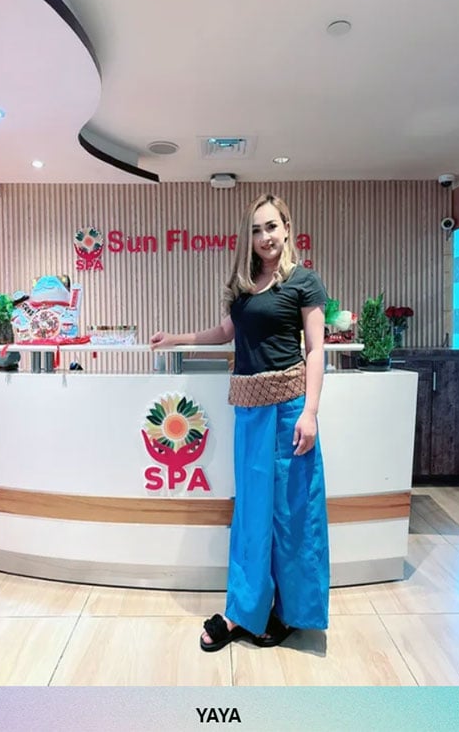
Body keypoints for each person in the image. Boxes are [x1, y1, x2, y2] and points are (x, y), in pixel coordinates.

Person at [150, 193, 329, 651]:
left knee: (292, 513)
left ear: (286, 227)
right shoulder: (243, 284)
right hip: (249, 410)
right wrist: (176, 338)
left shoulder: (304, 281)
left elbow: (315, 350)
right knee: (251, 514)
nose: (265, 237)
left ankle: (290, 611)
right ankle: (242, 611)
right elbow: (224, 333)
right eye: (256, 229)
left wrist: (310, 412)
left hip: (289, 410)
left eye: (271, 226)